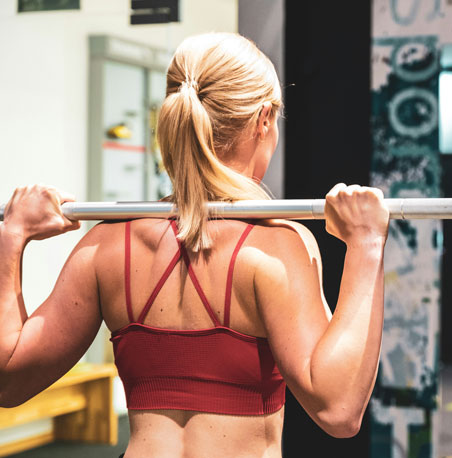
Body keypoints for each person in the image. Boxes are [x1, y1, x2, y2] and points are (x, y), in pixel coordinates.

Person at [0, 33, 390, 458]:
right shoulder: (277, 248)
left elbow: (8, 381)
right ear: (263, 120)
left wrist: (12, 237)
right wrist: (366, 244)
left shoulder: (104, 246)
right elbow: (339, 410)